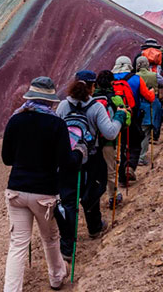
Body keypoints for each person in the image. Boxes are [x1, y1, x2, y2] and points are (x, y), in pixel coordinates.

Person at [2, 76, 82, 291]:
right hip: (44, 193)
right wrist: (79, 153)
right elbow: (66, 163)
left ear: (30, 96)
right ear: (50, 100)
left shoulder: (15, 120)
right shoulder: (56, 123)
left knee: (18, 244)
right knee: (50, 237)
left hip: (16, 191)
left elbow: (7, 159)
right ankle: (56, 278)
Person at [55, 70, 126, 257]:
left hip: (67, 159)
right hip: (90, 158)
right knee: (92, 193)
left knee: (69, 201)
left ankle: (68, 246)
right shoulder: (96, 107)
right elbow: (110, 133)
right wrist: (119, 117)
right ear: (92, 86)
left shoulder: (63, 105)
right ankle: (94, 227)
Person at [111, 56, 154, 183]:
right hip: (132, 116)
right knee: (135, 143)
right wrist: (152, 91)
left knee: (120, 146)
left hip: (113, 117)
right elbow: (149, 97)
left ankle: (121, 175)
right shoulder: (136, 79)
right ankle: (130, 167)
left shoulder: (110, 79)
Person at [92, 70, 125, 208]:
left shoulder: (90, 98)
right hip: (108, 140)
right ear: (112, 82)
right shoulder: (115, 99)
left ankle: (93, 199)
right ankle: (113, 196)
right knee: (111, 168)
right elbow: (126, 119)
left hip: (91, 141)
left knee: (94, 171)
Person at [135, 56, 163, 166]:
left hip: (139, 105)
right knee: (147, 132)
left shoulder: (135, 77)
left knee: (140, 130)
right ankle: (141, 157)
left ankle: (137, 156)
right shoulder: (154, 75)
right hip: (152, 104)